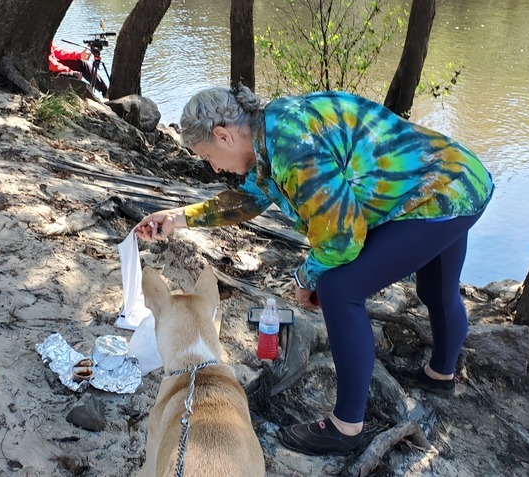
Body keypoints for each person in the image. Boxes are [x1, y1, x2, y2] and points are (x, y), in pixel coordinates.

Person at [133, 86, 494, 456]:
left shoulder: (292, 149)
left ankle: (347, 427)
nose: (214, 167)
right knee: (435, 290)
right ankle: (440, 375)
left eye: (208, 155)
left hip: (436, 194)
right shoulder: (271, 129)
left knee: (340, 288)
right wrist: (177, 218)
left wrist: (305, 278)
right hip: (457, 174)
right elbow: (249, 199)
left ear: (223, 135)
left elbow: (342, 241)